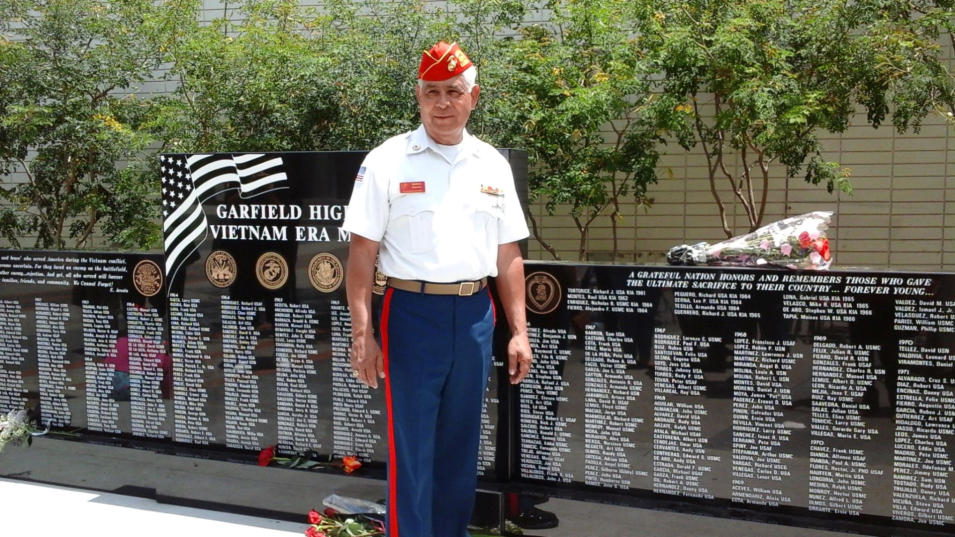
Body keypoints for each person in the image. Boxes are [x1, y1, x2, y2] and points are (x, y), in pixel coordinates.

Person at [342, 41, 533, 537]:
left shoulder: (491, 164)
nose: (442, 103)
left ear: (474, 97)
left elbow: (508, 255)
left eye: (453, 91)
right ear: (418, 96)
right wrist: (362, 334)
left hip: (474, 315)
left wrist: (519, 331)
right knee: (412, 443)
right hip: (410, 312)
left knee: (460, 443)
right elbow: (361, 253)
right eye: (432, 92)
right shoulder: (388, 160)